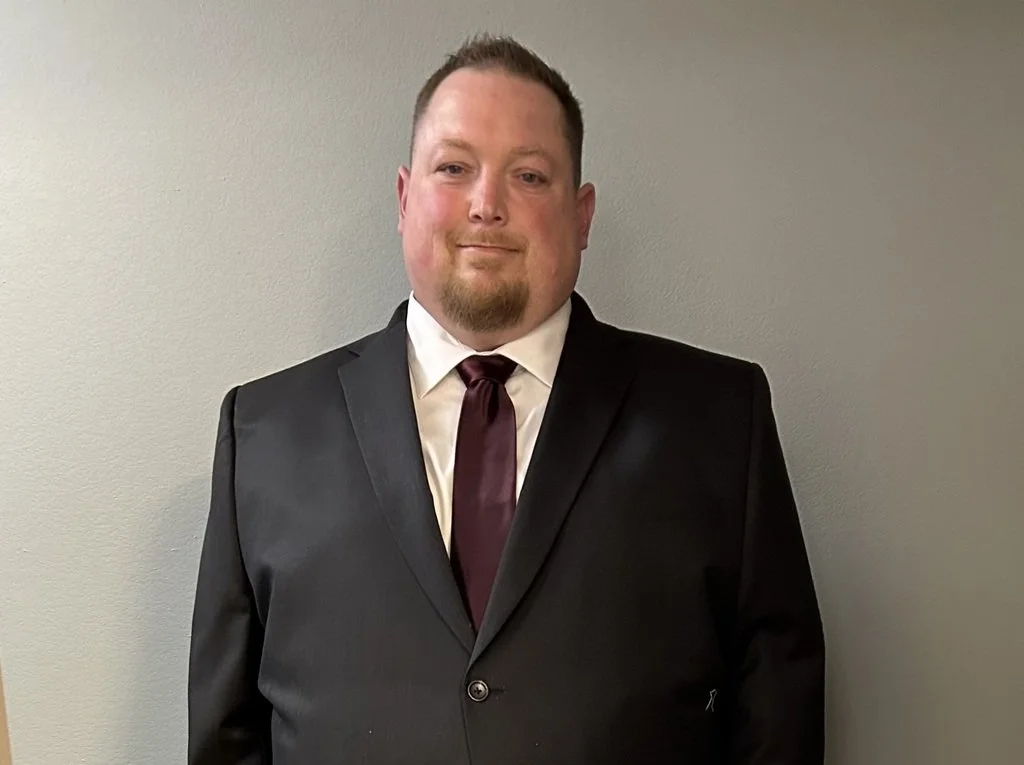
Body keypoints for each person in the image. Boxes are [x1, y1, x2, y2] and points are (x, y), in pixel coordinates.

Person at [188, 34, 824, 765]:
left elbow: (778, 718)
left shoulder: (720, 421)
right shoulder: (263, 433)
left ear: (582, 216)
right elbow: (226, 738)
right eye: (454, 168)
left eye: (528, 175)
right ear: (404, 198)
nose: (486, 205)